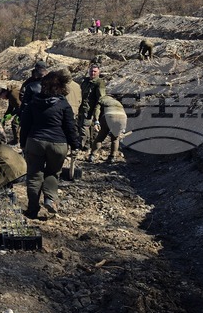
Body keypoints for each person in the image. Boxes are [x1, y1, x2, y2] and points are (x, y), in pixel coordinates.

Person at [19, 70, 82, 218]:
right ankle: (50, 198)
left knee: (34, 176)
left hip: (35, 141)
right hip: (58, 145)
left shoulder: (33, 102)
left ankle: (32, 209)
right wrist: (75, 145)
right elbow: (70, 127)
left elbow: (25, 124)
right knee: (53, 173)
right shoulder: (63, 105)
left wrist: (23, 144)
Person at [88, 95, 128, 163]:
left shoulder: (101, 100)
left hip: (109, 116)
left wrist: (96, 121)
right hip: (122, 118)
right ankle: (112, 157)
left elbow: (97, 110)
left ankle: (92, 155)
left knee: (100, 138)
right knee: (115, 139)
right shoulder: (117, 102)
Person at [76, 63, 106, 151]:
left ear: (98, 72)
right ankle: (87, 146)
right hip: (82, 108)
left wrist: (96, 112)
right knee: (83, 127)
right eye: (91, 71)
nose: (92, 73)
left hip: (90, 109)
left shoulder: (99, 83)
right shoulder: (85, 81)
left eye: (95, 71)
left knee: (84, 128)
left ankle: (80, 147)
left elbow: (101, 99)